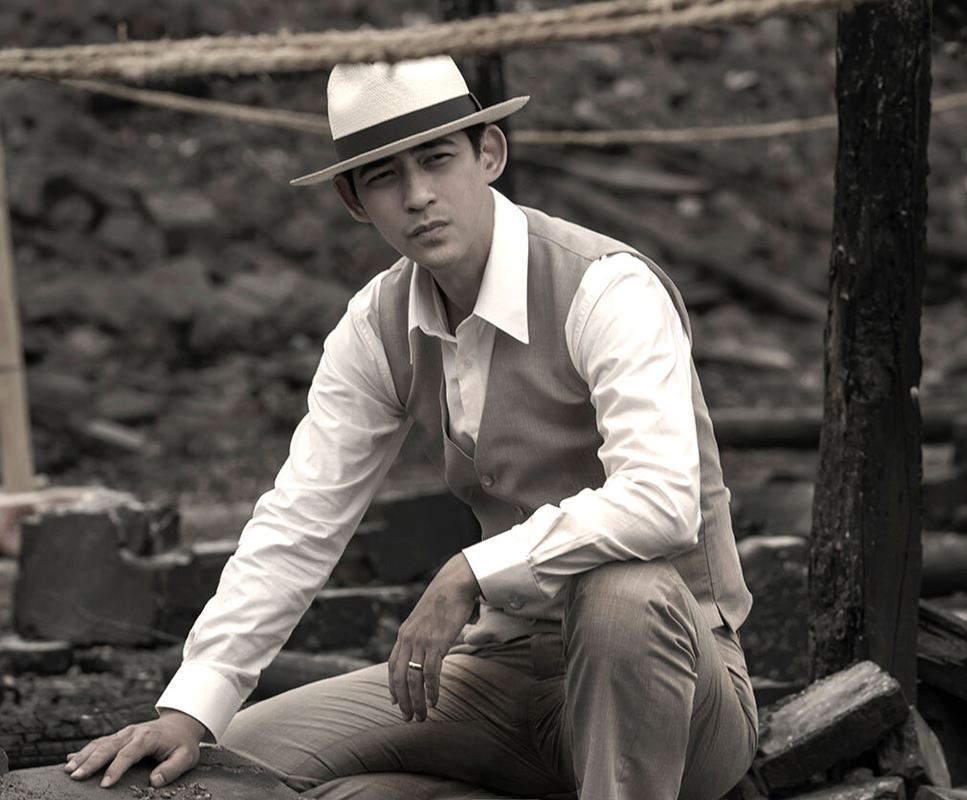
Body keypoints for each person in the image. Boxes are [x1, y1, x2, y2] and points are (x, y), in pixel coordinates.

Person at [63, 56, 757, 800]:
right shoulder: (378, 324)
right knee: (237, 763)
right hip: (506, 677)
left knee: (622, 593)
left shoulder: (605, 287)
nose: (418, 195)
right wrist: (190, 707)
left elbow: (661, 500)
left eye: (437, 159)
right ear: (354, 199)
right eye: (384, 176)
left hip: (675, 692)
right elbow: (300, 521)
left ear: (489, 154)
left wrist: (470, 573)